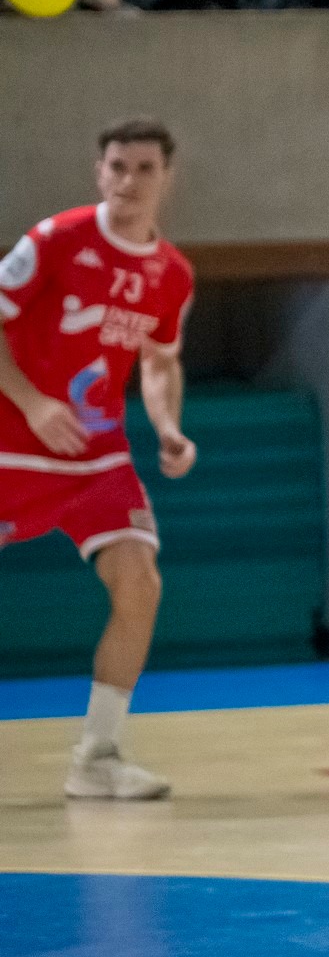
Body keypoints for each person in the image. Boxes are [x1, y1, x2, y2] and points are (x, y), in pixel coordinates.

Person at [0, 119, 196, 800]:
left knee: (140, 583)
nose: (128, 181)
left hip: (95, 456)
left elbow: (160, 361)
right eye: (117, 166)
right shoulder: (55, 241)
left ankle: (98, 758)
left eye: (144, 169)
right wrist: (30, 402)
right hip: (13, 443)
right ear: (98, 171)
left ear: (166, 177)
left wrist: (168, 426)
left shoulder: (171, 275)